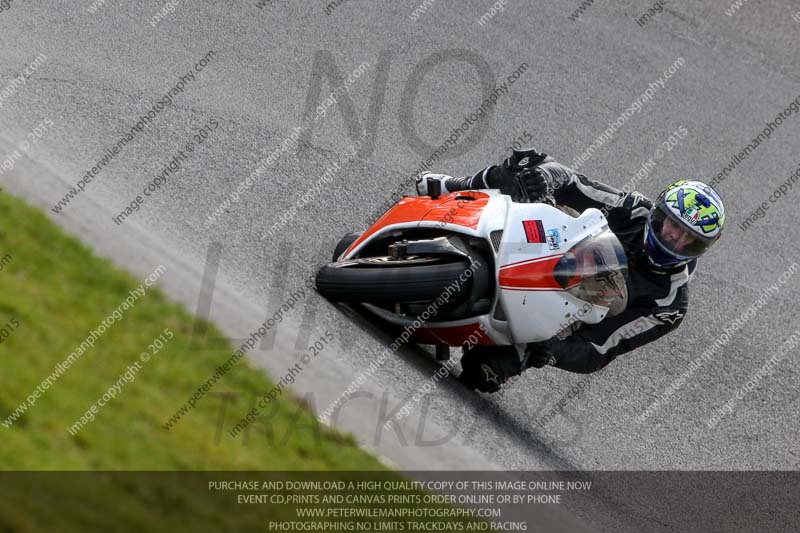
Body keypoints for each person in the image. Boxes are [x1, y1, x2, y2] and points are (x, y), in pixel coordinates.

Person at [415, 148, 726, 393]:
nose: (676, 238)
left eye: (691, 239)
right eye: (674, 225)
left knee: (483, 374)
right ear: (660, 213)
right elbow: (575, 183)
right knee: (525, 172)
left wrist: (553, 351)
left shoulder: (669, 303)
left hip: (555, 315)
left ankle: (499, 339)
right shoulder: (634, 211)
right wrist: (546, 179)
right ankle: (455, 188)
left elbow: (602, 347)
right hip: (545, 247)